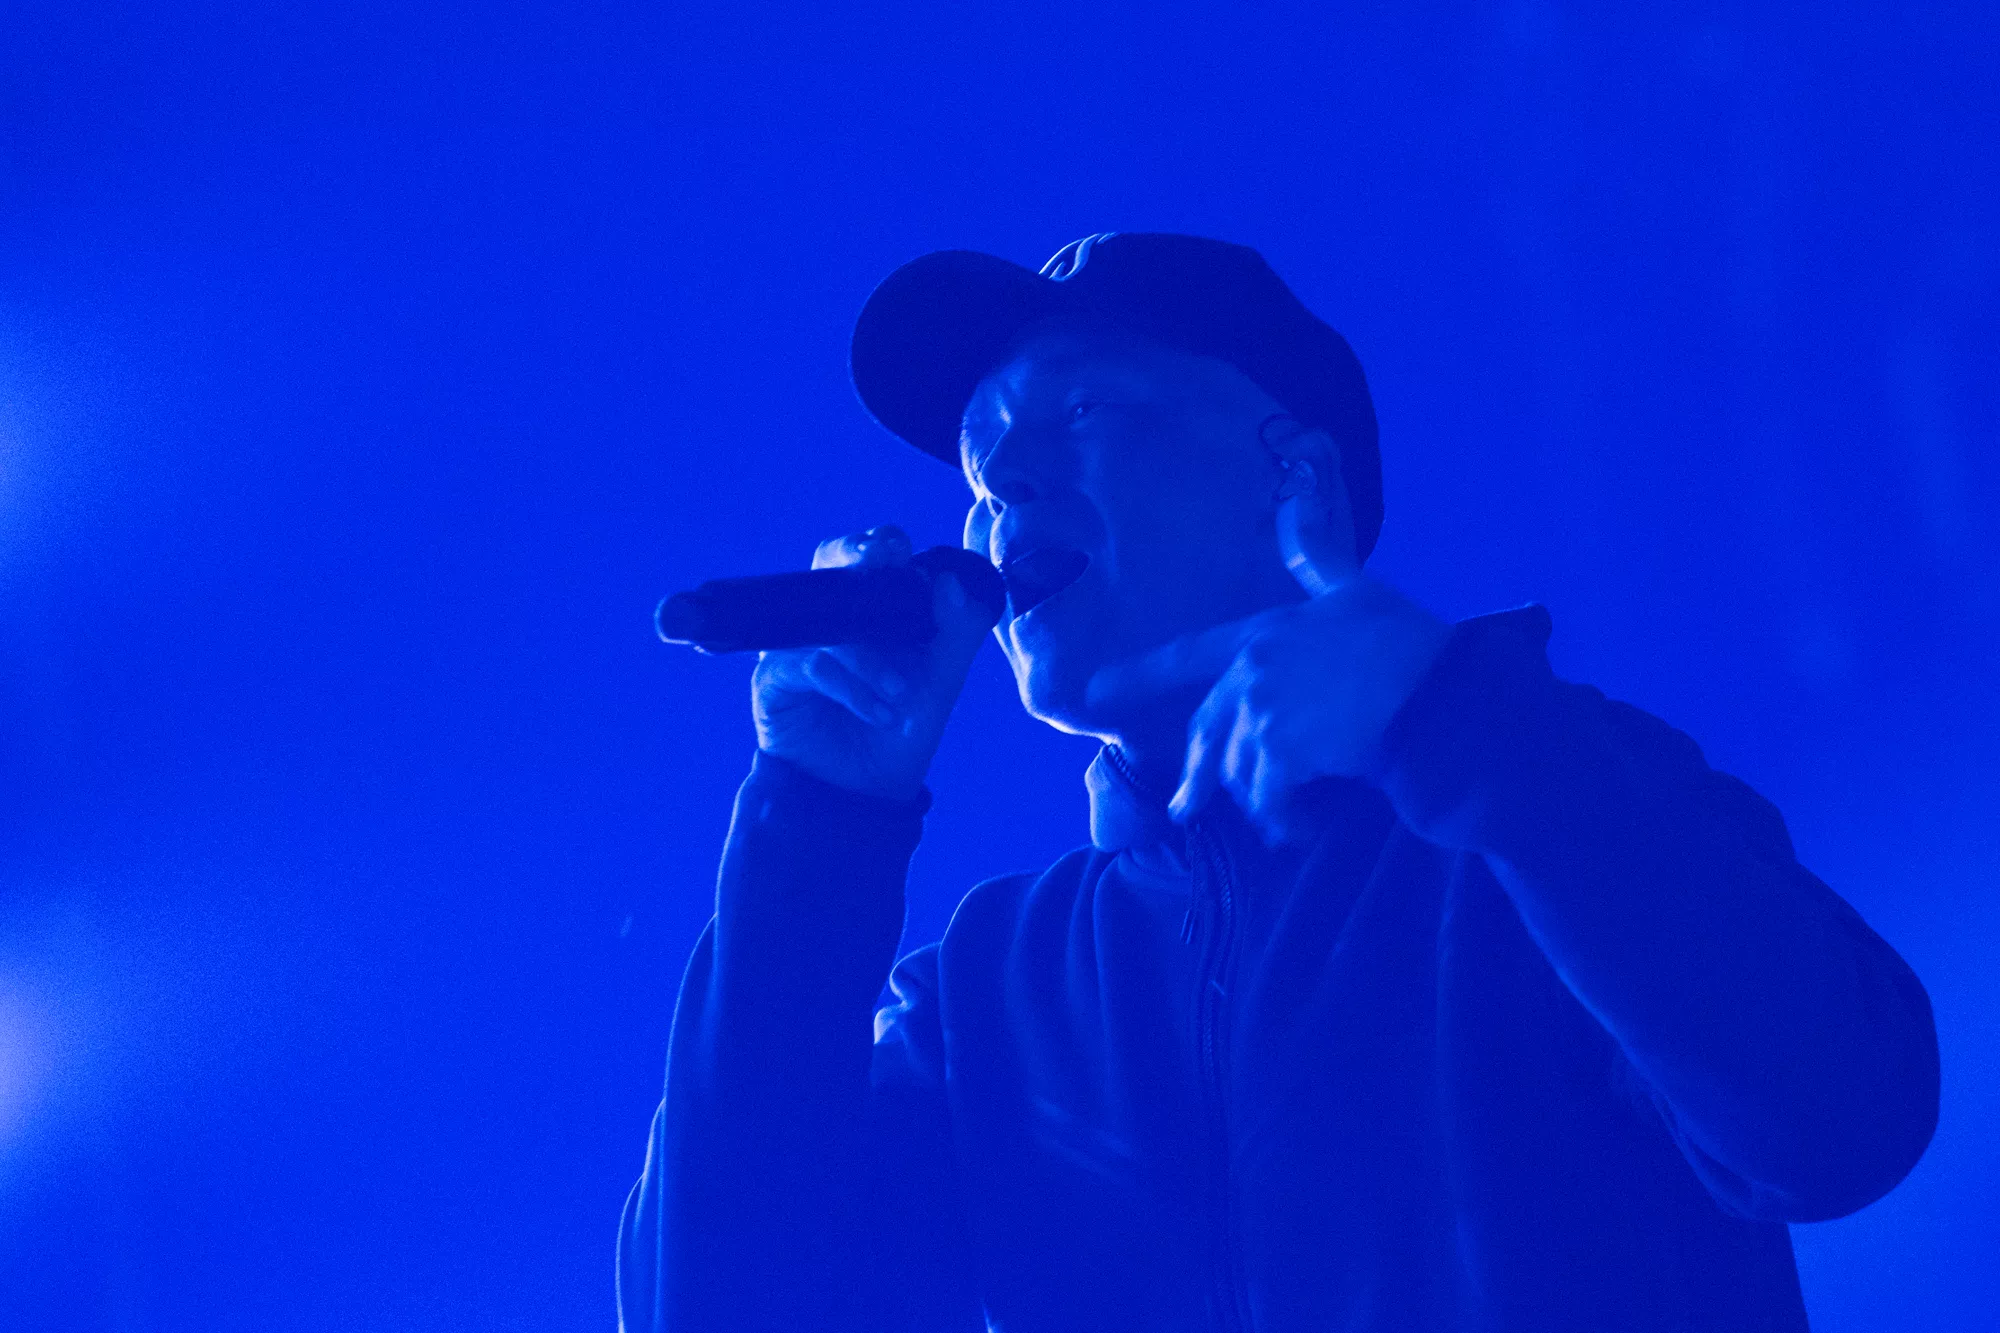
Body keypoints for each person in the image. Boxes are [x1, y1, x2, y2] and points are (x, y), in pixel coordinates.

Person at [616, 233, 1938, 1333]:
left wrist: (1458, 721)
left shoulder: (1548, 806)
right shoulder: (988, 991)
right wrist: (820, 821)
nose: (1003, 481)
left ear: (1290, 474)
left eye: (1081, 411)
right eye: (980, 466)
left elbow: (1841, 1122)